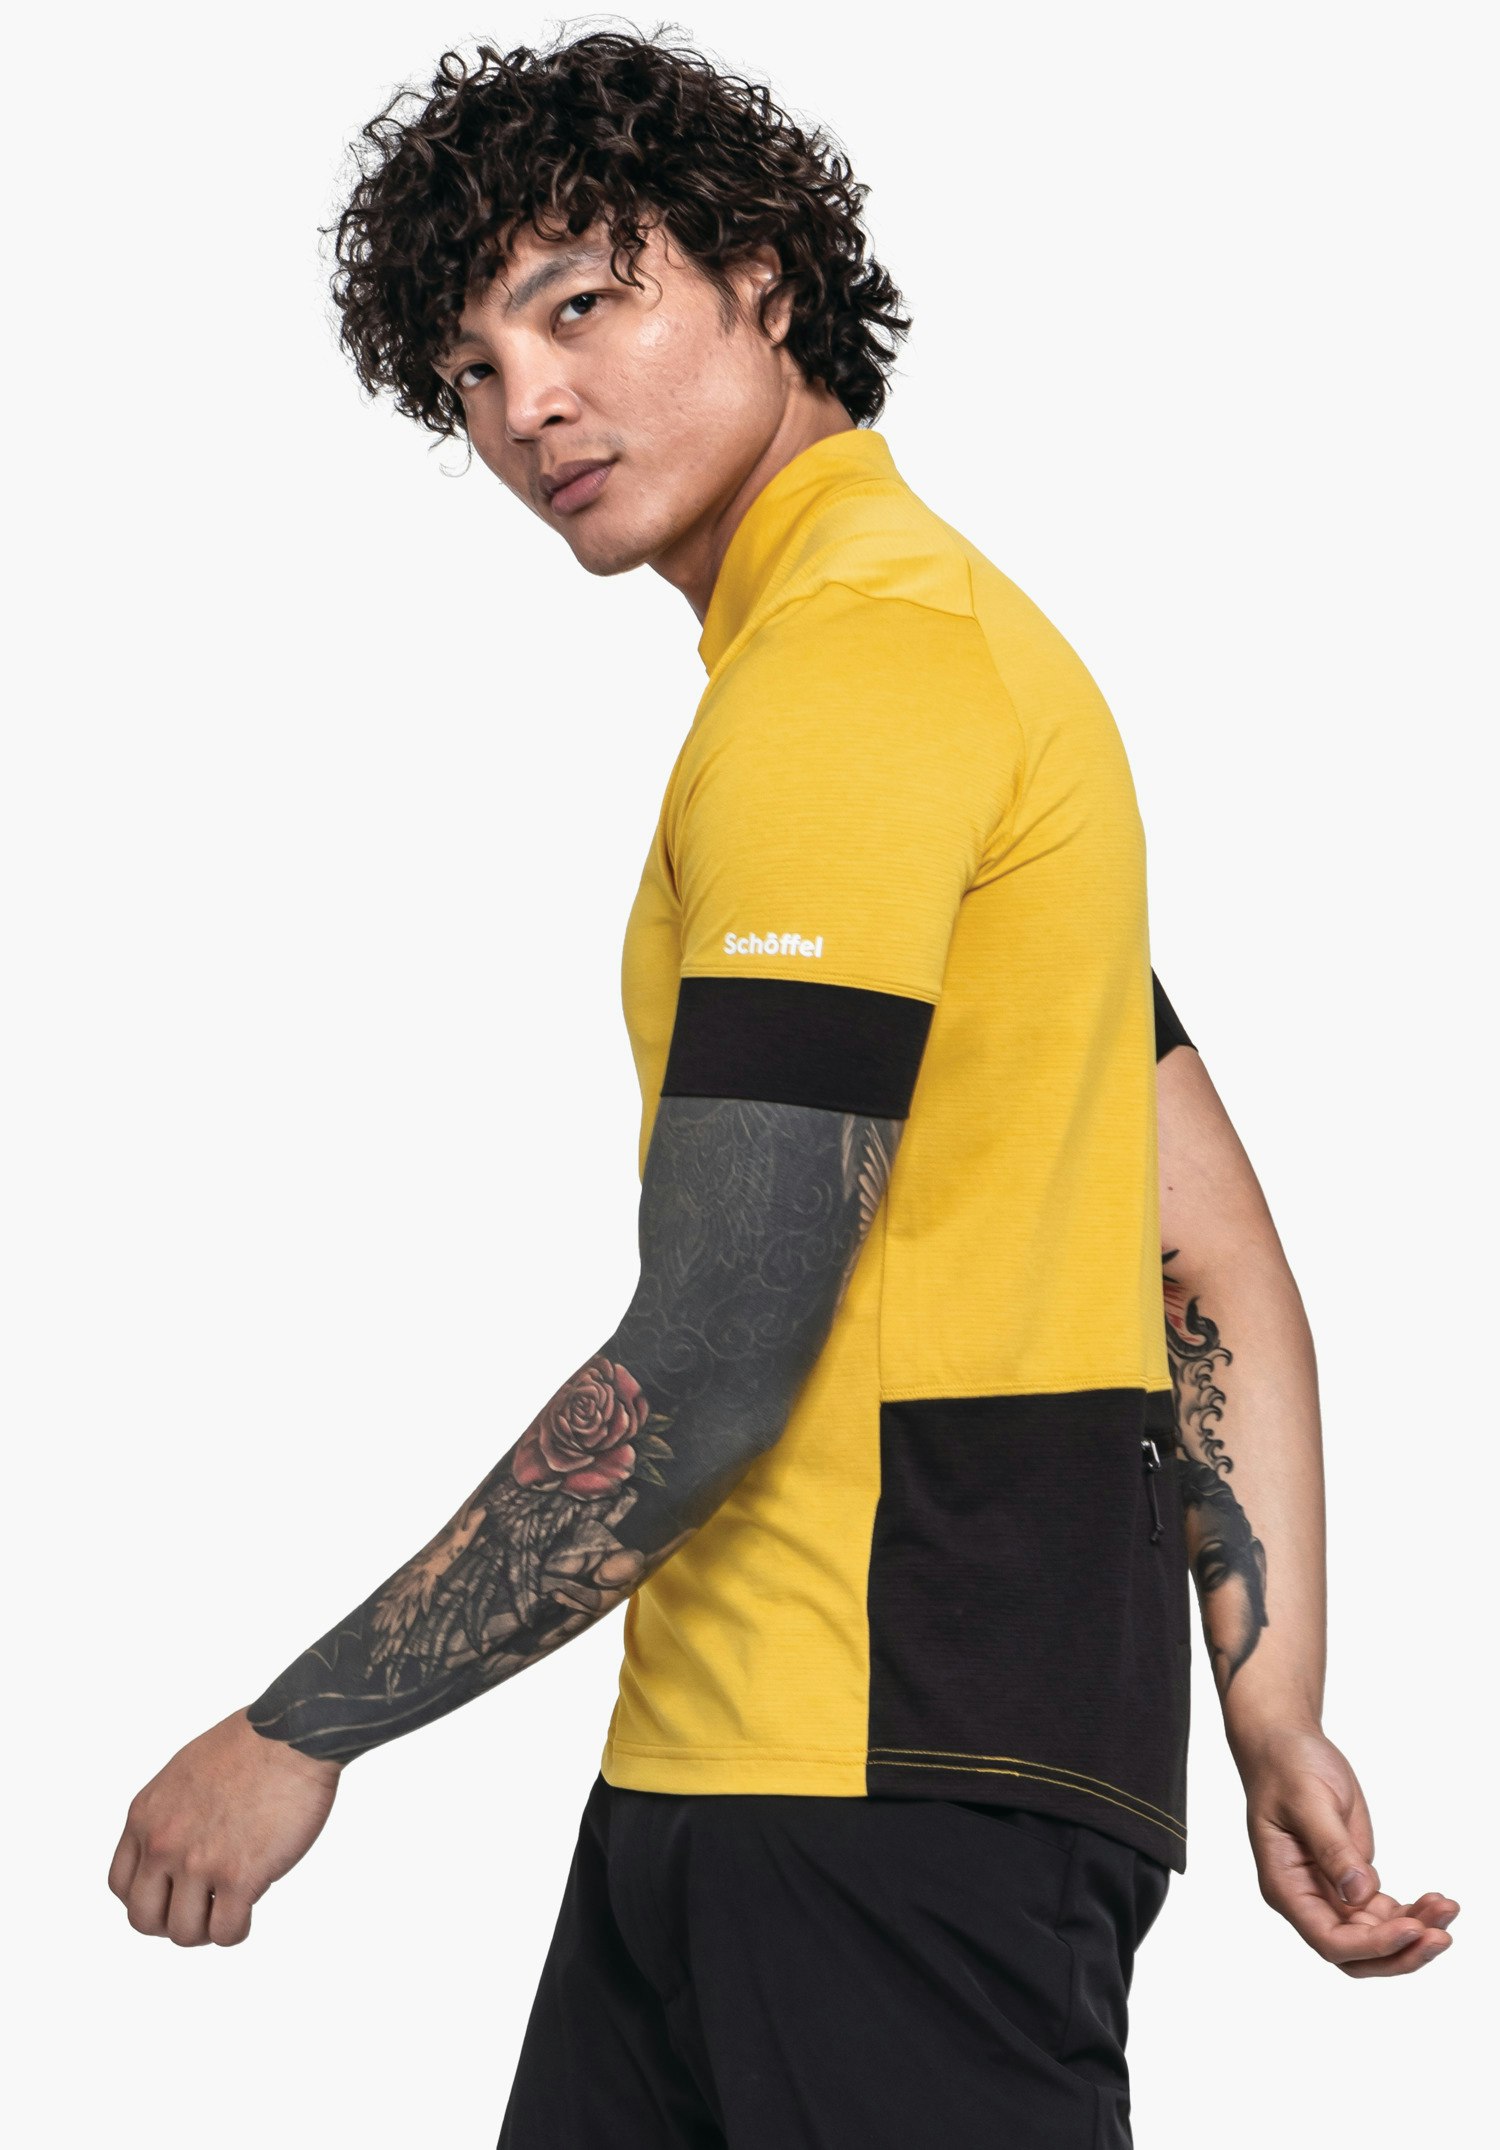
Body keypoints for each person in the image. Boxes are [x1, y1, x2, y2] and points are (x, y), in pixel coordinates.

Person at [106, 29, 1457, 2146]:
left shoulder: (853, 679)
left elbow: (725, 1336)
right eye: (471, 370)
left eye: (580, 303)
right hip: (753, 1767)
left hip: (883, 1795)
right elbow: (1206, 1253)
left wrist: (302, 1728)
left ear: (766, 275)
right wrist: (1271, 1703)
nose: (529, 404)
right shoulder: (945, 658)